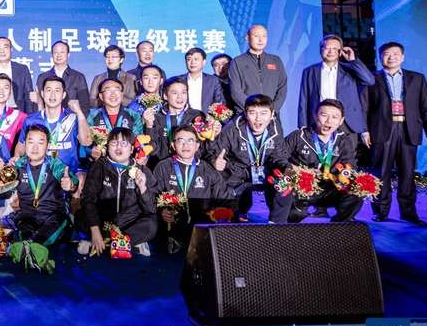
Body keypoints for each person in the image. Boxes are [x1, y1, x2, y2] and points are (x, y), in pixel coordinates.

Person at [362, 42, 427, 225]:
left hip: (408, 129)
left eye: (395, 54)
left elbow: (426, 105)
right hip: (381, 129)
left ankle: (409, 213)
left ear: (402, 57)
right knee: (380, 172)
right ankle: (381, 211)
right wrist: (364, 130)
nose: (391, 57)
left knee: (407, 173)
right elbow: (364, 107)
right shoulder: (372, 79)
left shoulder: (417, 78)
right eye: (387, 54)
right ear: (381, 57)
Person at [208, 94, 293, 222]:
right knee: (221, 187)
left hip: (266, 176)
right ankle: (234, 219)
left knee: (285, 182)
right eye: (252, 113)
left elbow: (279, 157)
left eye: (264, 113)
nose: (258, 119)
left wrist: (286, 170)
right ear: (246, 114)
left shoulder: (276, 129)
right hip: (238, 176)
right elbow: (213, 153)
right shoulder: (232, 128)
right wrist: (214, 161)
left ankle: (277, 225)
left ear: (272, 114)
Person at [77, 127, 157, 258]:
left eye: (124, 143)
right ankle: (128, 245)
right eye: (114, 143)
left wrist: (142, 187)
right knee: (80, 216)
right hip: (103, 222)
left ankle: (105, 244)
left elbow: (151, 209)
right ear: (107, 147)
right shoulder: (100, 166)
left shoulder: (141, 170)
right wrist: (95, 230)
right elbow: (88, 199)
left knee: (151, 224)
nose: (118, 147)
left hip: (128, 224)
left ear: (131, 149)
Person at [152, 126, 233, 246]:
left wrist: (220, 215)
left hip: (201, 225)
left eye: (190, 141)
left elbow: (223, 195)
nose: (186, 145)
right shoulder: (163, 167)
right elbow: (152, 194)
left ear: (197, 146)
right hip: (172, 225)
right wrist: (161, 210)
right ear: (173, 145)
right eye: (180, 141)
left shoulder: (207, 169)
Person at [284, 99, 362, 222]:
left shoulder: (343, 140)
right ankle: (294, 216)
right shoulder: (298, 136)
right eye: (324, 115)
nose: (328, 121)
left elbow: (350, 166)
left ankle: (339, 225)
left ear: (341, 121)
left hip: (329, 188)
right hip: (301, 189)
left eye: (334, 117)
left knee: (356, 191)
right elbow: (279, 158)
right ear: (315, 116)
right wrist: (295, 169)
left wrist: (343, 175)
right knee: (294, 215)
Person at [8, 124, 78, 248]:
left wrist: (70, 184)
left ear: (48, 145)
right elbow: (7, 191)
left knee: (38, 242)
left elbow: (72, 181)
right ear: (25, 144)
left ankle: (30, 248)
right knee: (23, 238)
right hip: (27, 217)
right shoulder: (18, 166)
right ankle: (28, 248)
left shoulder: (54, 163)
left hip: (53, 216)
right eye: (31, 142)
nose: (35, 148)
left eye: (40, 143)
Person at [298, 35, 374, 141]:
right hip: (320, 120)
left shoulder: (349, 69)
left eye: (335, 48)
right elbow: (304, 98)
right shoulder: (310, 71)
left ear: (340, 51)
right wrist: (302, 125)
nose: (331, 51)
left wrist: (353, 61)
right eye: (327, 48)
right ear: (321, 50)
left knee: (347, 151)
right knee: (319, 151)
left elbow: (369, 80)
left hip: (346, 122)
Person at [228, 25, 287, 116]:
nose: (260, 40)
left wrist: (272, 110)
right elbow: (235, 91)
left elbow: (282, 88)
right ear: (247, 38)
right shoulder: (237, 62)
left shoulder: (275, 61)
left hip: (271, 115)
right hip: (246, 115)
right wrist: (252, 110)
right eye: (256, 36)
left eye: (264, 36)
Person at [148, 77, 209, 163]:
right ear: (165, 95)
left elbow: (203, 147)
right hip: (164, 166)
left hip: (192, 166)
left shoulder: (196, 116)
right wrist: (149, 126)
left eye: (183, 92)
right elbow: (153, 150)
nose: (180, 97)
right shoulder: (157, 118)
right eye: (175, 93)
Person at [0, 36, 36, 113]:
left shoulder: (22, 69)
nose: (2, 51)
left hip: (17, 112)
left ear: (11, 49)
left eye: (5, 47)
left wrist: (29, 116)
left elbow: (28, 96)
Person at [34, 40, 91, 116]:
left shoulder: (78, 77)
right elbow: (37, 105)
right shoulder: (42, 77)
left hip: (72, 120)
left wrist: (76, 121)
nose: (59, 55)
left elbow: (85, 106)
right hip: (48, 121)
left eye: (62, 52)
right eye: (56, 52)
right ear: (52, 55)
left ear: (68, 54)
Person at [178, 47, 226, 113]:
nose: (192, 62)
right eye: (189, 59)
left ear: (204, 62)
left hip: (207, 118)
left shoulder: (213, 81)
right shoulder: (178, 81)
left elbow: (219, 103)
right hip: (183, 118)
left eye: (196, 59)